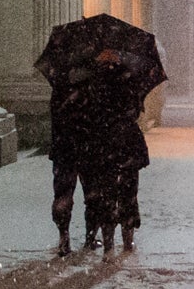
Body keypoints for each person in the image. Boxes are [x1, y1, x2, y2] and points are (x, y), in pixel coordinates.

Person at [37, 19, 165, 257]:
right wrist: (118, 65)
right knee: (103, 194)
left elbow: (61, 113)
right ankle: (101, 238)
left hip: (70, 144)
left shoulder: (66, 83)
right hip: (99, 143)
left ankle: (67, 238)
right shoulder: (118, 79)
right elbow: (131, 108)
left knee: (67, 193)